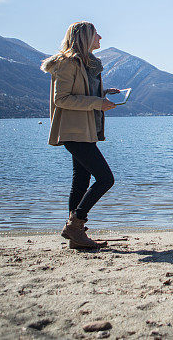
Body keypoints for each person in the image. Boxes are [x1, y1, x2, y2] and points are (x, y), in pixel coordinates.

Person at [41, 21, 119, 249]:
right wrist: (97, 102)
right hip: (72, 130)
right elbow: (62, 99)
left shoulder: (86, 64)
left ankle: (76, 235)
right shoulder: (67, 63)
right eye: (96, 34)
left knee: (81, 180)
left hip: (84, 129)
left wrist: (103, 92)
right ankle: (75, 226)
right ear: (85, 37)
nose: (100, 38)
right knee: (105, 179)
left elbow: (80, 90)